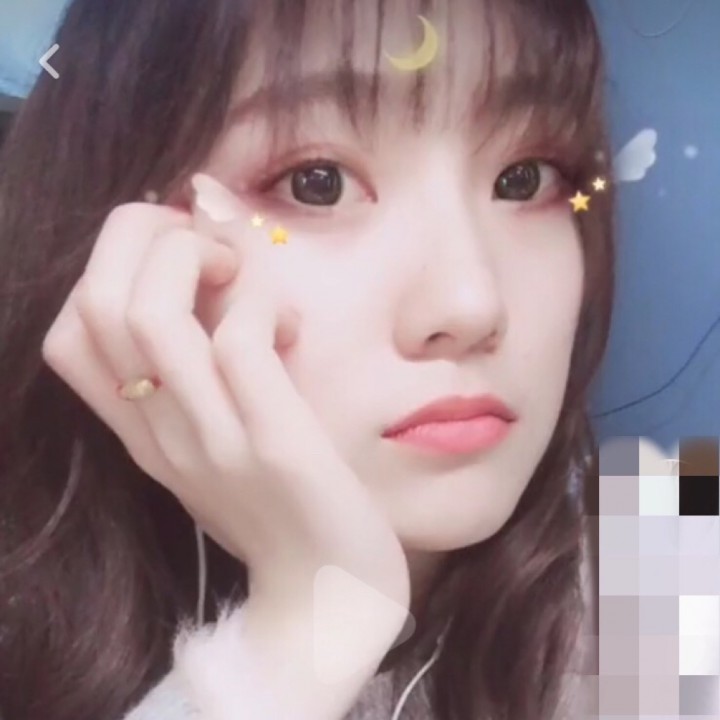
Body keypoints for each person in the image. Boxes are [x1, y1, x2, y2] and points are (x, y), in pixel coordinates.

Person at [0, 0, 614, 718]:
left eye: (526, 178)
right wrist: (299, 641)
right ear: (121, 245)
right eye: (317, 182)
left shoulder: (676, 587)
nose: (470, 305)